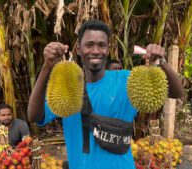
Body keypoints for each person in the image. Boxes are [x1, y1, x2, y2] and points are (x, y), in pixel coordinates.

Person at [28, 20, 183, 169]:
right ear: (78, 49)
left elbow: (176, 93)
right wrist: (47, 67)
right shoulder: (69, 86)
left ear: (108, 49)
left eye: (101, 45)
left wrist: (161, 62)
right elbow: (34, 116)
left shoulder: (127, 79)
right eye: (89, 45)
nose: (95, 51)